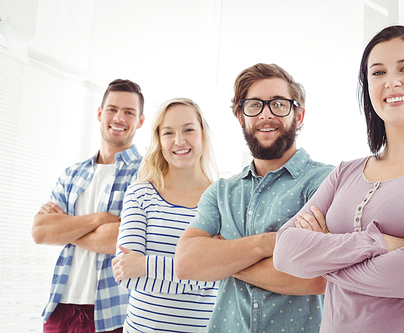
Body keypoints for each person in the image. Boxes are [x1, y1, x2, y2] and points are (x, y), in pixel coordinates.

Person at [273, 25, 404, 333]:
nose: (392, 82)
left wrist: (323, 258)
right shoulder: (346, 171)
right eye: (378, 72)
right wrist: (379, 243)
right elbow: (286, 252)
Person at [174, 63, 335, 332]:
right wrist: (264, 245)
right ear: (241, 116)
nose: (266, 115)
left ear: (299, 114)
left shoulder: (326, 182)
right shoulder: (221, 191)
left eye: (279, 105)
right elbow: (185, 264)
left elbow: (316, 278)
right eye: (254, 105)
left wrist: (223, 260)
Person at [32, 79, 146, 333]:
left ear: (140, 121)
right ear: (99, 113)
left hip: (112, 314)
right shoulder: (73, 173)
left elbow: (120, 240)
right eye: (112, 109)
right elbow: (40, 232)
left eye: (129, 112)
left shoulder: (146, 174)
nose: (119, 117)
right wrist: (98, 220)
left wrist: (66, 228)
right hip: (60, 308)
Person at [111, 98, 219, 332]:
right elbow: (127, 275)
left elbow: (223, 274)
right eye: (168, 132)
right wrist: (199, 273)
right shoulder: (140, 194)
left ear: (202, 133)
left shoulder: (223, 198)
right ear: (159, 140)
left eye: (188, 129)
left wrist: (146, 266)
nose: (179, 141)